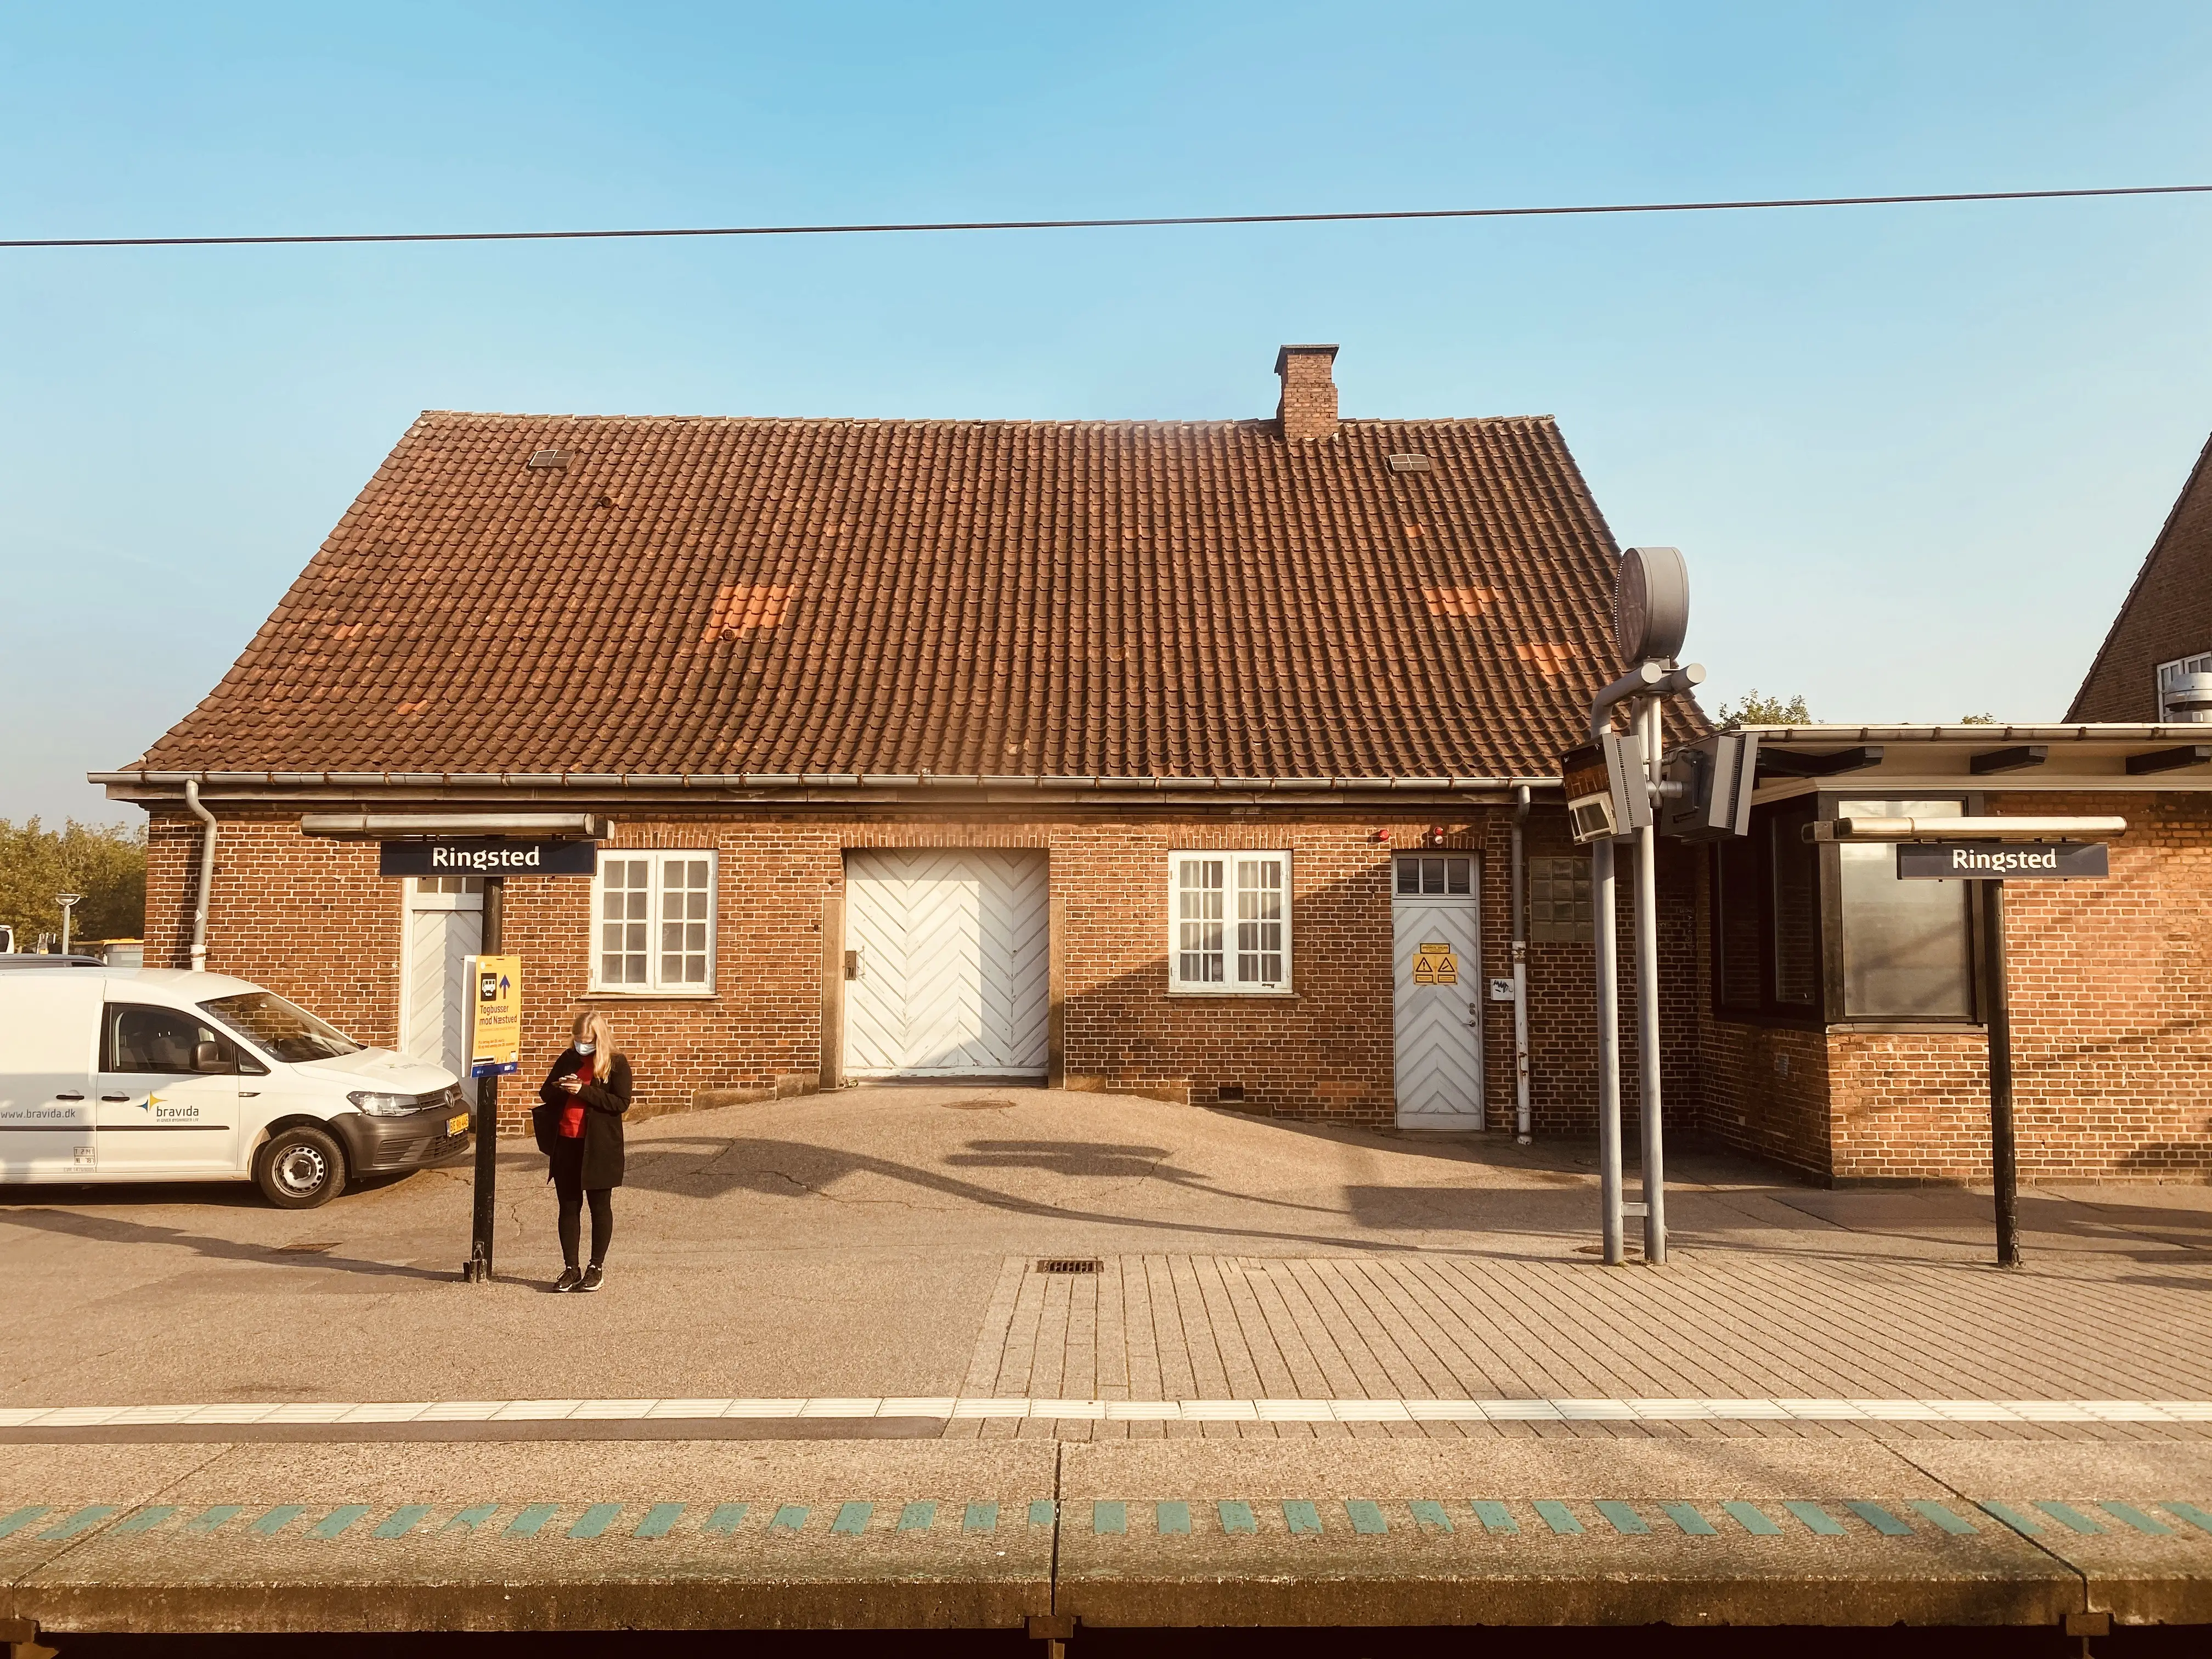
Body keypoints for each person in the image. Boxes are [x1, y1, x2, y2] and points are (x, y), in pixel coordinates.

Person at [533, 1011, 631, 1292]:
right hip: (566, 1142)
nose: (581, 1045)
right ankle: (570, 1268)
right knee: (569, 1206)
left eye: (587, 1041)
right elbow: (545, 1093)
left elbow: (620, 1103)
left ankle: (596, 1267)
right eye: (578, 1040)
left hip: (598, 1146)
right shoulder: (568, 1058)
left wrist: (583, 1091)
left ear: (599, 1038)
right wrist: (562, 1088)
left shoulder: (616, 1063)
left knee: (599, 1207)